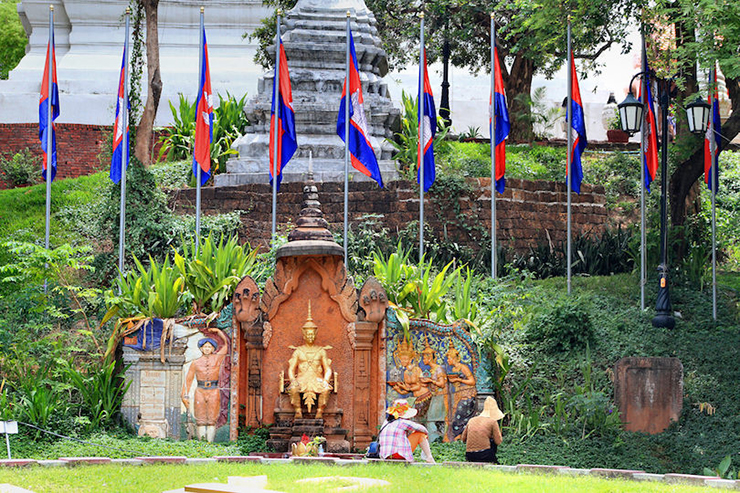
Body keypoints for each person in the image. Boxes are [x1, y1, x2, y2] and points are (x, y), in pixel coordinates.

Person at [181, 328, 228, 442]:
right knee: (201, 419)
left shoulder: (217, 359)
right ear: (201, 349)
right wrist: (184, 395)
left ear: (213, 349)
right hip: (200, 391)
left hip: (213, 390)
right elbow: (188, 380)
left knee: (212, 419)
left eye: (209, 347)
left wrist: (219, 333)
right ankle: (202, 444)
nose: (207, 349)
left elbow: (226, 346)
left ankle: (210, 443)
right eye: (205, 347)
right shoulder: (195, 363)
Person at [287, 302, 333, 419]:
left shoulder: (321, 351)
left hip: (317, 379)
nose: (310, 337)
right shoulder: (298, 351)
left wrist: (326, 380)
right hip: (301, 379)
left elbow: (327, 369)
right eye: (308, 334)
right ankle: (298, 410)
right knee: (293, 388)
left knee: (326, 389)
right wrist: (293, 380)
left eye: (312, 334)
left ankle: (319, 411)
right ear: (304, 335)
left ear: (315, 335)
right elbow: (291, 369)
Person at [378, 399, 435, 463]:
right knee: (420, 434)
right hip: (398, 455)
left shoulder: (386, 422)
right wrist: (426, 435)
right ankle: (429, 457)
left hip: (385, 455)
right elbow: (423, 429)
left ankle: (428, 457)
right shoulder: (402, 422)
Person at [461, 396, 504, 463]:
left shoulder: (471, 420)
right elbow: (498, 441)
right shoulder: (492, 421)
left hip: (469, 455)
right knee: (493, 442)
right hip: (484, 455)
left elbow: (463, 439)